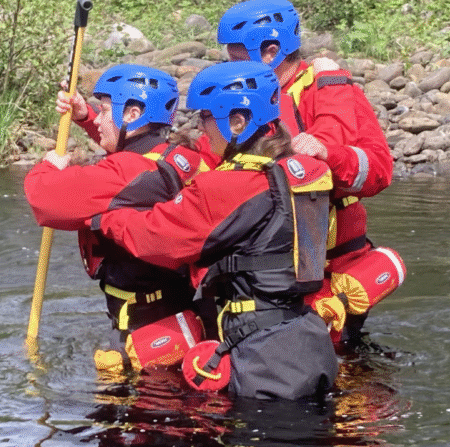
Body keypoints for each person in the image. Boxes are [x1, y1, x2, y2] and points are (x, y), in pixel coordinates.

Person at [87, 61, 339, 400]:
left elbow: (159, 237)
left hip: (264, 356)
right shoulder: (306, 170)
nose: (203, 130)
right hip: (308, 336)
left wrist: (104, 218)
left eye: (207, 117)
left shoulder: (229, 186)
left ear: (237, 120)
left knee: (261, 446)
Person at [214, 0, 399, 348]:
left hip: (328, 270)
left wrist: (330, 155)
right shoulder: (241, 97)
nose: (230, 69)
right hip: (266, 271)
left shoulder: (326, 89)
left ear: (270, 51)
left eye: (237, 59)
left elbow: (378, 171)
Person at [24, 64, 207, 373]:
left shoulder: (128, 173)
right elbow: (126, 146)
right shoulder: (178, 154)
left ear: (133, 115)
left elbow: (45, 200)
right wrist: (86, 117)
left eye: (106, 111)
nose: (102, 117)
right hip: (174, 307)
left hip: (141, 321)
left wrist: (49, 166)